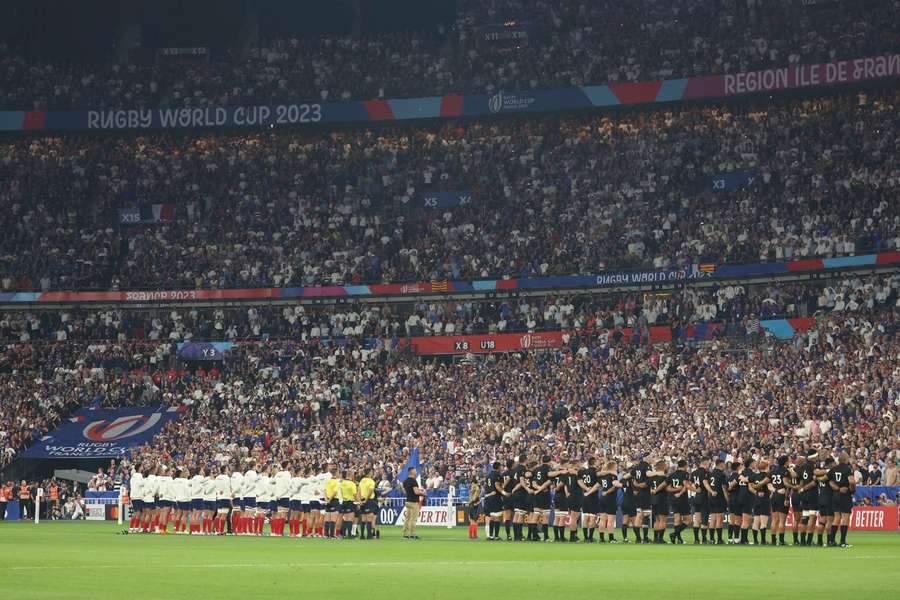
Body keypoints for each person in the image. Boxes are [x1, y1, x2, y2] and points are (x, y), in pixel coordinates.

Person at [829, 452, 855, 548]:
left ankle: (831, 541)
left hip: (835, 495)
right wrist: (852, 489)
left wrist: (837, 488)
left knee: (836, 518)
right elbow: (852, 481)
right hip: (844, 495)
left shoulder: (834, 469)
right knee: (845, 517)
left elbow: (829, 480)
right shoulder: (848, 469)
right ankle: (843, 541)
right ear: (845, 460)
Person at [667, 459, 691, 544]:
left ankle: (678, 539)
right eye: (686, 466)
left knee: (677, 519)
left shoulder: (672, 475)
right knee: (688, 520)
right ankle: (674, 534)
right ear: (685, 466)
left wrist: (675, 490)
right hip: (682, 499)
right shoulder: (685, 474)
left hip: (673, 499)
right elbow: (685, 486)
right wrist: (680, 493)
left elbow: (668, 488)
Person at [706, 458, 727, 545]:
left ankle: (711, 539)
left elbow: (708, 486)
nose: (725, 466)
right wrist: (727, 498)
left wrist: (710, 495)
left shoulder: (710, 474)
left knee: (713, 519)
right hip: (720, 498)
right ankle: (719, 539)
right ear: (721, 464)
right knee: (719, 519)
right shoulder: (722, 474)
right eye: (724, 464)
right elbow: (724, 488)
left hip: (711, 498)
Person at [402, 467, 427, 539]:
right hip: (414, 502)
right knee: (413, 519)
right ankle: (412, 534)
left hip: (408, 501)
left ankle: (405, 534)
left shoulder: (405, 481)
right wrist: (423, 494)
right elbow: (416, 492)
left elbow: (404, 492)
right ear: (412, 471)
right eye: (415, 470)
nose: (416, 471)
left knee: (407, 518)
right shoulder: (414, 481)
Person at [690, 458, 709, 544]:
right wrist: (711, 491)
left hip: (697, 497)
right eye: (708, 464)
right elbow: (705, 483)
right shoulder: (705, 473)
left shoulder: (694, 473)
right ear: (705, 464)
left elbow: (691, 484)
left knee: (697, 518)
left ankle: (696, 539)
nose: (708, 466)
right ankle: (704, 539)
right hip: (704, 496)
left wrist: (695, 489)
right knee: (704, 518)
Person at [485, 462, 505, 540]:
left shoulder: (488, 476)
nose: (502, 467)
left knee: (492, 517)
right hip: (496, 497)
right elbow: (497, 486)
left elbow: (486, 487)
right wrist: (504, 493)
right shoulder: (498, 475)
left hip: (489, 498)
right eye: (501, 466)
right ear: (498, 467)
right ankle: (496, 536)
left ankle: (490, 535)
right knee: (497, 517)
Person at [358, 467, 377, 540]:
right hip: (369, 500)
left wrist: (360, 501)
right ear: (369, 473)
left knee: (363, 518)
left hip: (362, 500)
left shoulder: (362, 480)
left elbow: (359, 491)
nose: (372, 473)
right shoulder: (371, 481)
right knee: (369, 518)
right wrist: (366, 500)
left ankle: (362, 535)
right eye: (372, 472)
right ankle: (369, 535)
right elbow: (370, 491)